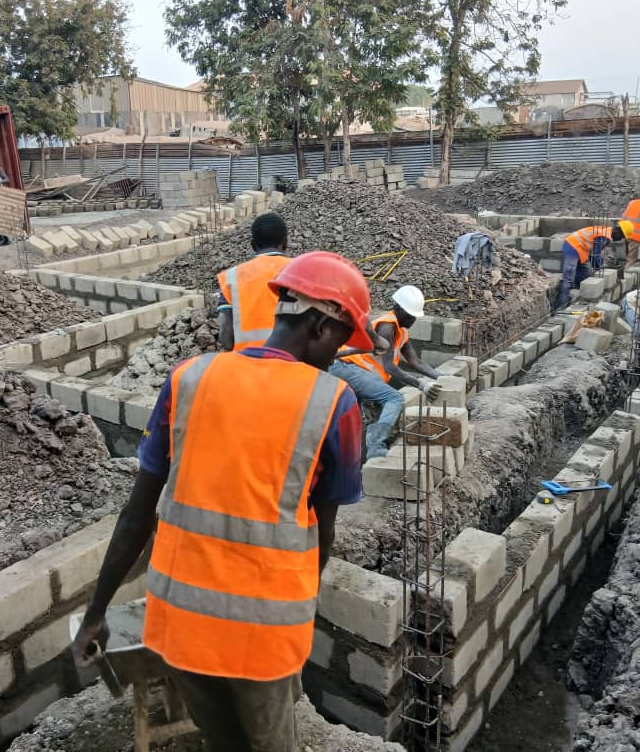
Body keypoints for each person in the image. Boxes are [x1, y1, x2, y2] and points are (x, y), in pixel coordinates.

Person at [71, 251, 374, 752]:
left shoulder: (188, 377)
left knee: (220, 741)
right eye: (341, 343)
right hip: (263, 634)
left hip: (179, 622)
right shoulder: (333, 403)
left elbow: (136, 515)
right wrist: (301, 608)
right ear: (321, 326)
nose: (338, 358)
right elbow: (323, 529)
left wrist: (95, 613)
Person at [329, 285, 442, 460]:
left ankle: (352, 460)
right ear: (397, 308)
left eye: (415, 316)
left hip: (358, 372)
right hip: (347, 367)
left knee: (353, 418)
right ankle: (376, 448)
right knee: (394, 398)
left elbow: (415, 361)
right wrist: (420, 384)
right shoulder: (387, 327)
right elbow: (389, 367)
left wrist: (442, 377)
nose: (413, 320)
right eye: (410, 314)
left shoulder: (402, 331)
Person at [216, 211, 291, 351]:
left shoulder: (231, 278)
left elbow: (226, 338)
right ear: (285, 243)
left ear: (252, 245)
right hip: (295, 365)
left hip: (248, 366)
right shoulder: (300, 271)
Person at [556, 221, 634, 309]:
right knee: (568, 278)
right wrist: (600, 267)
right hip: (573, 246)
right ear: (619, 231)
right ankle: (560, 308)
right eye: (622, 236)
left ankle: (578, 301)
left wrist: (599, 266)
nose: (620, 239)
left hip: (581, 250)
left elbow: (595, 255)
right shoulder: (604, 235)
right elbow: (595, 255)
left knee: (584, 277)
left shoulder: (606, 233)